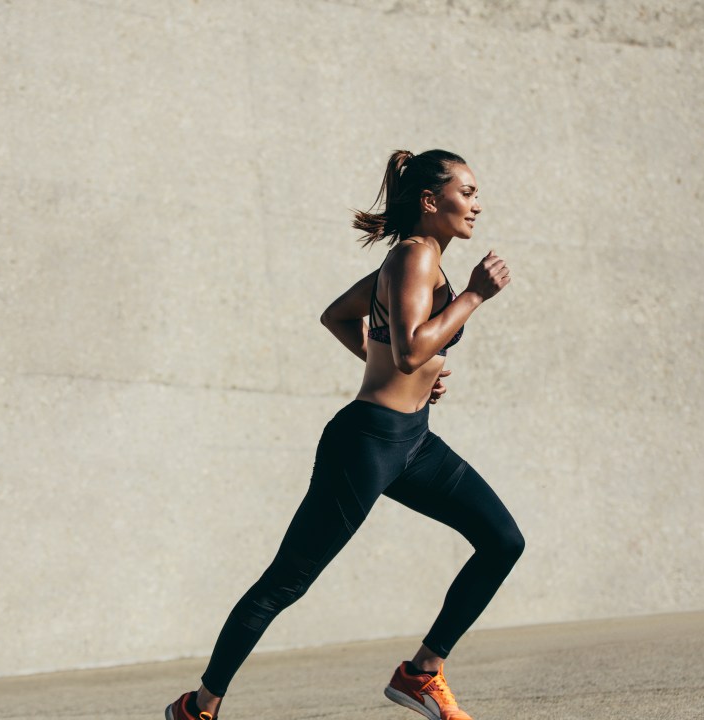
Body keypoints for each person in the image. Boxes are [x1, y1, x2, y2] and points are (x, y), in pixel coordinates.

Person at [165, 149, 524, 720]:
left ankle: (421, 674)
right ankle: (199, 706)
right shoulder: (413, 258)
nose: (477, 204)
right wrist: (474, 298)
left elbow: (341, 317)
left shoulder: (422, 261)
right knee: (287, 581)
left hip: (415, 441)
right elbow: (409, 350)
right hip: (367, 444)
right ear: (431, 202)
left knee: (503, 541)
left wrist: (394, 368)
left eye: (477, 193)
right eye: (467, 192)